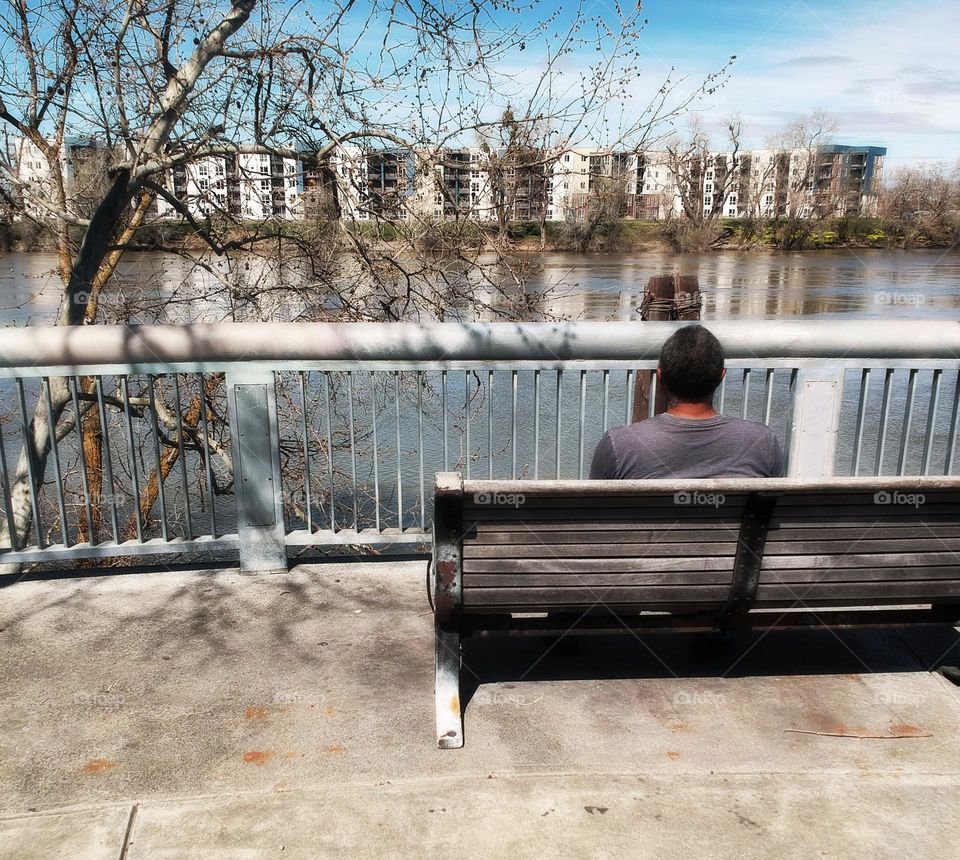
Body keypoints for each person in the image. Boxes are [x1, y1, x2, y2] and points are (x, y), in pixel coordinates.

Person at [589, 324, 784, 479]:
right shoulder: (763, 442)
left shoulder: (618, 445)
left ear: (660, 376)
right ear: (721, 376)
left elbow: (592, 515)